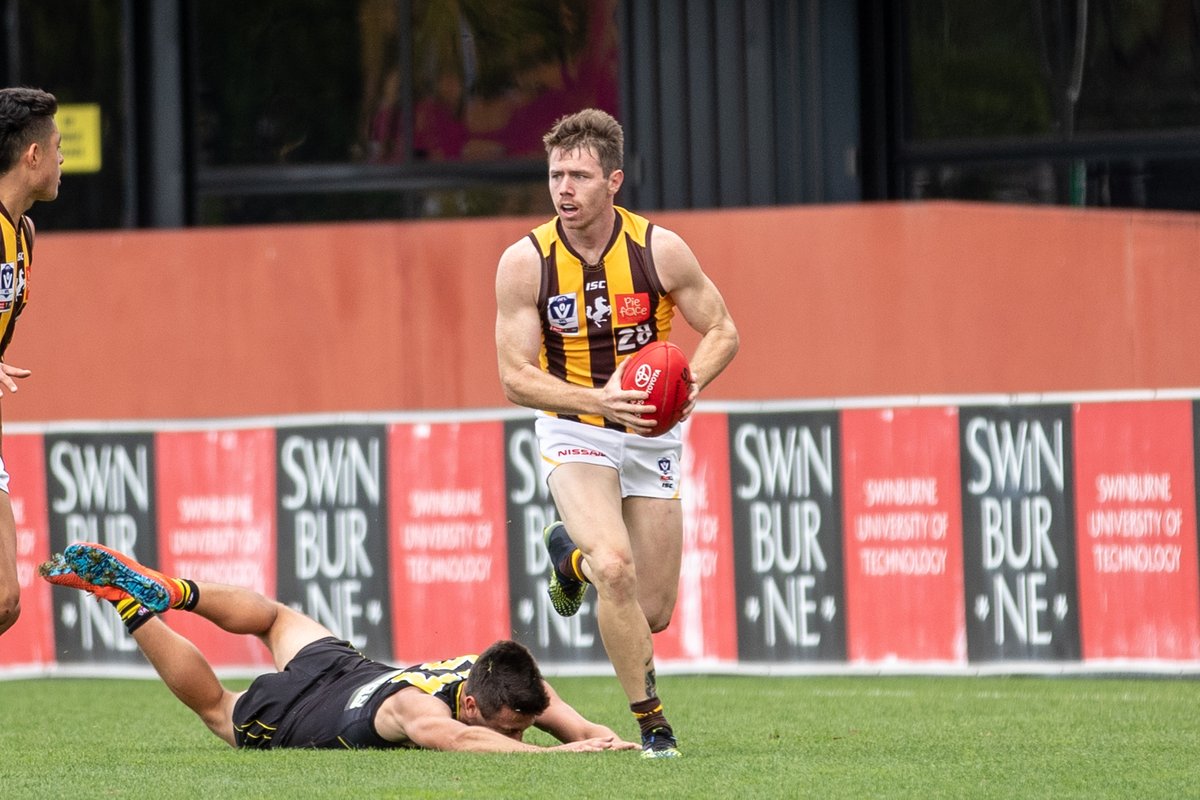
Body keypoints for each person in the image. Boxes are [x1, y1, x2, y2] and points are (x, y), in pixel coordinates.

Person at [493, 108, 739, 758]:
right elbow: (515, 378)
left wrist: (685, 390)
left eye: (579, 175)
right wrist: (596, 399)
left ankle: (565, 554)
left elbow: (723, 332)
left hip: (649, 432)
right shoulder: (525, 262)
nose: (563, 189)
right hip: (576, 427)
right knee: (616, 569)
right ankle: (654, 726)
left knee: (652, 610)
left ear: (615, 181)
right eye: (555, 175)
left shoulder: (659, 249)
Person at [40, 541, 638, 754]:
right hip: (304, 708)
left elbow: (582, 729)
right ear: (475, 705)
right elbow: (460, 739)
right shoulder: (421, 714)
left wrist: (618, 744)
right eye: (510, 730)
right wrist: (550, 759)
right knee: (219, 709)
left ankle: (177, 590)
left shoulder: (504, 679)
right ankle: (128, 600)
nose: (516, 736)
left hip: (345, 666)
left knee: (274, 617)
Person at [0, 87, 62, 636]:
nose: (63, 158)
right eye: (58, 145)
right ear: (33, 155)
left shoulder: (24, 235)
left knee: (3, 600)